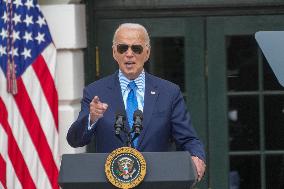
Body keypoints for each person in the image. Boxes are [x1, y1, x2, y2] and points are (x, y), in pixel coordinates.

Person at [67, 23, 206, 181]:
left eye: (136, 49)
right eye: (122, 48)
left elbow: (188, 138)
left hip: (157, 182)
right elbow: (75, 140)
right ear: (114, 52)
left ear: (147, 53)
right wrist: (91, 119)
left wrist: (197, 157)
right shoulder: (95, 92)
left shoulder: (169, 92)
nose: (129, 54)